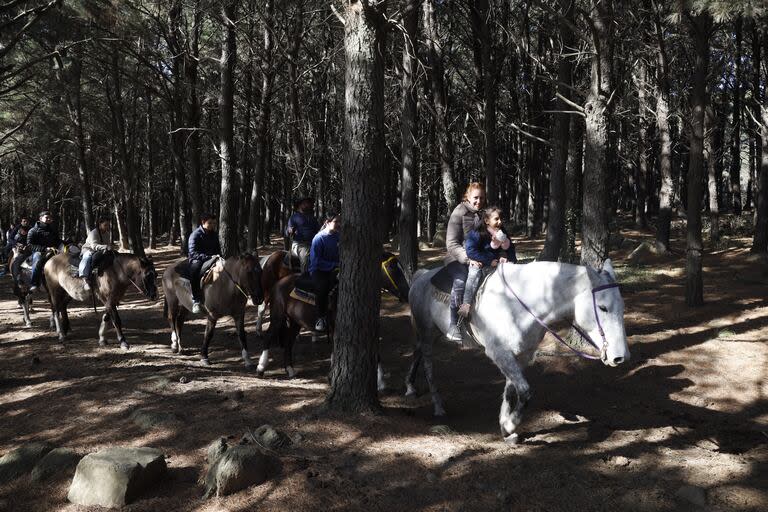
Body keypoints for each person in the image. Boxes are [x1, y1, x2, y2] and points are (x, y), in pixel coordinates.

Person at [444, 182, 486, 341]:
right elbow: (452, 243)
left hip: (480, 258)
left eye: (482, 197)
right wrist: (469, 259)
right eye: (475, 197)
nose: (479, 201)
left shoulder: (484, 213)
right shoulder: (459, 212)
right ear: (468, 196)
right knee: (461, 282)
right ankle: (454, 325)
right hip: (457, 258)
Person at [458, 206, 517, 318]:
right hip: (479, 261)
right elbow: (470, 251)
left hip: (496, 261)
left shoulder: (502, 231)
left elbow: (510, 247)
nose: (500, 222)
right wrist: (488, 260)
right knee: (474, 275)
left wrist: (510, 260)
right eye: (496, 219)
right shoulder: (477, 232)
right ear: (486, 221)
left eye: (501, 219)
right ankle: (466, 304)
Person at [309, 212, 340, 332]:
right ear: (327, 222)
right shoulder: (319, 238)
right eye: (336, 221)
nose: (339, 224)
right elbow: (316, 262)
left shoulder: (338, 236)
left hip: (334, 268)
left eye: (339, 221)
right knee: (322, 287)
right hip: (319, 270)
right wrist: (335, 265)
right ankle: (320, 318)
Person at [17, 211, 62, 292]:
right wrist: (44, 249)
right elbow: (30, 245)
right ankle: (34, 283)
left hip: (53, 251)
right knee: (38, 258)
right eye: (46, 217)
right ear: (41, 218)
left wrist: (67, 243)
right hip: (39, 252)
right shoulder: (33, 230)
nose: (49, 219)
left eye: (50, 218)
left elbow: (57, 241)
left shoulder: (53, 230)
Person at [188, 212, 222, 314]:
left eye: (214, 223)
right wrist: (208, 257)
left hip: (212, 258)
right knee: (195, 271)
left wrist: (218, 256)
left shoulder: (214, 235)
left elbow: (217, 249)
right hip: (197, 260)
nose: (212, 225)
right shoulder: (195, 235)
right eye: (210, 223)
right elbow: (193, 252)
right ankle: (196, 300)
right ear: (203, 222)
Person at [78, 217, 114, 290]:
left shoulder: (107, 234)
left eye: (108, 225)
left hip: (100, 251)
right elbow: (94, 246)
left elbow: (107, 244)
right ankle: (84, 278)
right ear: (100, 224)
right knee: (87, 256)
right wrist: (106, 247)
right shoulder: (93, 233)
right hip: (89, 249)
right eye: (105, 225)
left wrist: (109, 248)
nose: (107, 227)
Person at [286, 197, 320, 273]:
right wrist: (289, 230)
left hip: (313, 243)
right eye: (304, 203)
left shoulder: (312, 218)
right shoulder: (293, 217)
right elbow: (287, 232)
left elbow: (318, 231)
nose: (307, 205)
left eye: (308, 203)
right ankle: (304, 278)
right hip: (299, 244)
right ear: (299, 205)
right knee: (306, 256)